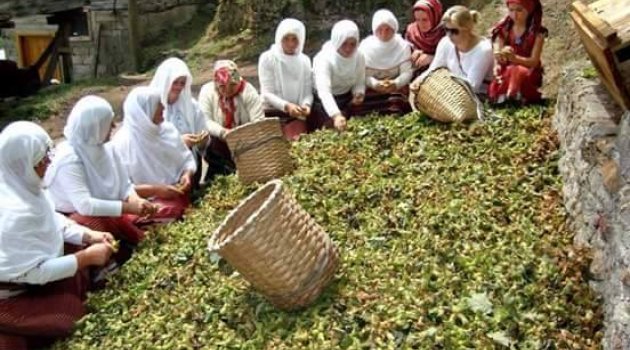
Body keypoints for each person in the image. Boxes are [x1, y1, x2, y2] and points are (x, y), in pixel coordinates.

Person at [0, 121, 113, 350]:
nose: (49, 162)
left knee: (86, 226)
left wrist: (89, 235)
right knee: (70, 318)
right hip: (11, 293)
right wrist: (86, 258)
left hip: (33, 273)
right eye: (42, 160)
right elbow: (31, 272)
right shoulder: (11, 213)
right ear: (22, 164)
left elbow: (55, 222)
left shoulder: (25, 187)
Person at [45, 96, 153, 247]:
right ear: (95, 126)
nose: (114, 126)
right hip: (78, 215)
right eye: (109, 123)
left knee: (140, 233)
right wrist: (128, 207)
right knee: (97, 225)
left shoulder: (107, 147)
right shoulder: (69, 158)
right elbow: (85, 205)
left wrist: (137, 201)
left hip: (108, 211)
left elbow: (125, 185)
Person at [111, 87, 196, 223]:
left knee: (173, 209)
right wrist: (155, 190)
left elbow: (186, 160)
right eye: (158, 105)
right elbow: (119, 189)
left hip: (174, 195)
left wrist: (186, 175)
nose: (163, 107)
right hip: (142, 202)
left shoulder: (167, 131)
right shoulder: (121, 144)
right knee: (150, 213)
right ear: (144, 112)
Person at [198, 60, 264, 181]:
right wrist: (223, 133)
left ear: (238, 80)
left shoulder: (248, 91)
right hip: (219, 143)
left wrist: (241, 135)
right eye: (222, 86)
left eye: (232, 85)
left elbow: (258, 121)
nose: (228, 91)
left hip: (246, 142)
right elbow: (205, 120)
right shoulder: (207, 91)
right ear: (216, 84)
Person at [149, 57, 209, 184]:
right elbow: (148, 142)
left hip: (189, 168)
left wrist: (202, 139)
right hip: (161, 170)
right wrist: (179, 142)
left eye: (182, 83)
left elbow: (202, 134)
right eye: (175, 82)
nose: (178, 87)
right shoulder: (151, 107)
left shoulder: (191, 105)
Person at [414, 6, 493, 95]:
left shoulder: (483, 50)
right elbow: (434, 69)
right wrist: (419, 81)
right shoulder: (446, 42)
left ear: (467, 29)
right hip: (452, 94)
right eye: (446, 30)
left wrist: (444, 85)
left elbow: (472, 86)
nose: (449, 35)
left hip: (477, 97)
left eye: (454, 31)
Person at [258, 18, 313, 141]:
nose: (290, 44)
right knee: (275, 150)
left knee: (298, 143)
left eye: (294, 39)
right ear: (279, 38)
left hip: (295, 114)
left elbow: (307, 91)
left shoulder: (304, 61)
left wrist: (306, 105)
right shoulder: (268, 58)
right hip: (271, 112)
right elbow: (267, 93)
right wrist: (286, 106)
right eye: (286, 39)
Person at [488, 0, 547, 104]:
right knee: (509, 71)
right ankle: (510, 95)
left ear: (529, 10)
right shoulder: (505, 29)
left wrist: (515, 59)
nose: (514, 15)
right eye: (511, 10)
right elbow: (501, 55)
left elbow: (534, 61)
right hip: (507, 69)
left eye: (519, 10)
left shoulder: (537, 33)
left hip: (529, 71)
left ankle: (512, 95)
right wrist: (498, 63)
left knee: (517, 70)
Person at [312, 20, 366, 132]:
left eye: (352, 44)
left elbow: (359, 80)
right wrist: (336, 115)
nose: (348, 49)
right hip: (323, 103)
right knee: (328, 132)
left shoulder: (359, 56)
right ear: (337, 41)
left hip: (346, 99)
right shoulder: (324, 59)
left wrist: (358, 93)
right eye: (344, 44)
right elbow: (324, 92)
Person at [359, 9, 413, 115]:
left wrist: (396, 83)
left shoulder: (402, 46)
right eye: (380, 29)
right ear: (374, 30)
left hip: (395, 88)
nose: (384, 34)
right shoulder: (365, 47)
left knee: (396, 102)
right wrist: (375, 84)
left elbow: (407, 72)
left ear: (394, 29)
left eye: (388, 29)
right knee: (364, 105)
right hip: (372, 88)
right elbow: (362, 75)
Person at [404, 0, 446, 75]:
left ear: (434, 16)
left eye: (425, 20)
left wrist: (432, 58)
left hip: (439, 78)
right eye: (417, 20)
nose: (421, 24)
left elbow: (453, 59)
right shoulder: (411, 31)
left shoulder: (446, 33)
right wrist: (413, 52)